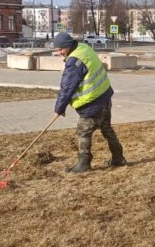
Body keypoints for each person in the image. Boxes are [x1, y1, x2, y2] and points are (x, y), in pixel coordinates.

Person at [52, 31, 126, 173]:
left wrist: (59, 108)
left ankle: (84, 163)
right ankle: (118, 157)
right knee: (106, 128)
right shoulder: (84, 48)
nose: (59, 52)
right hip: (104, 95)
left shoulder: (74, 61)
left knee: (83, 131)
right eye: (57, 49)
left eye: (61, 49)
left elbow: (67, 87)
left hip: (92, 103)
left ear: (68, 46)